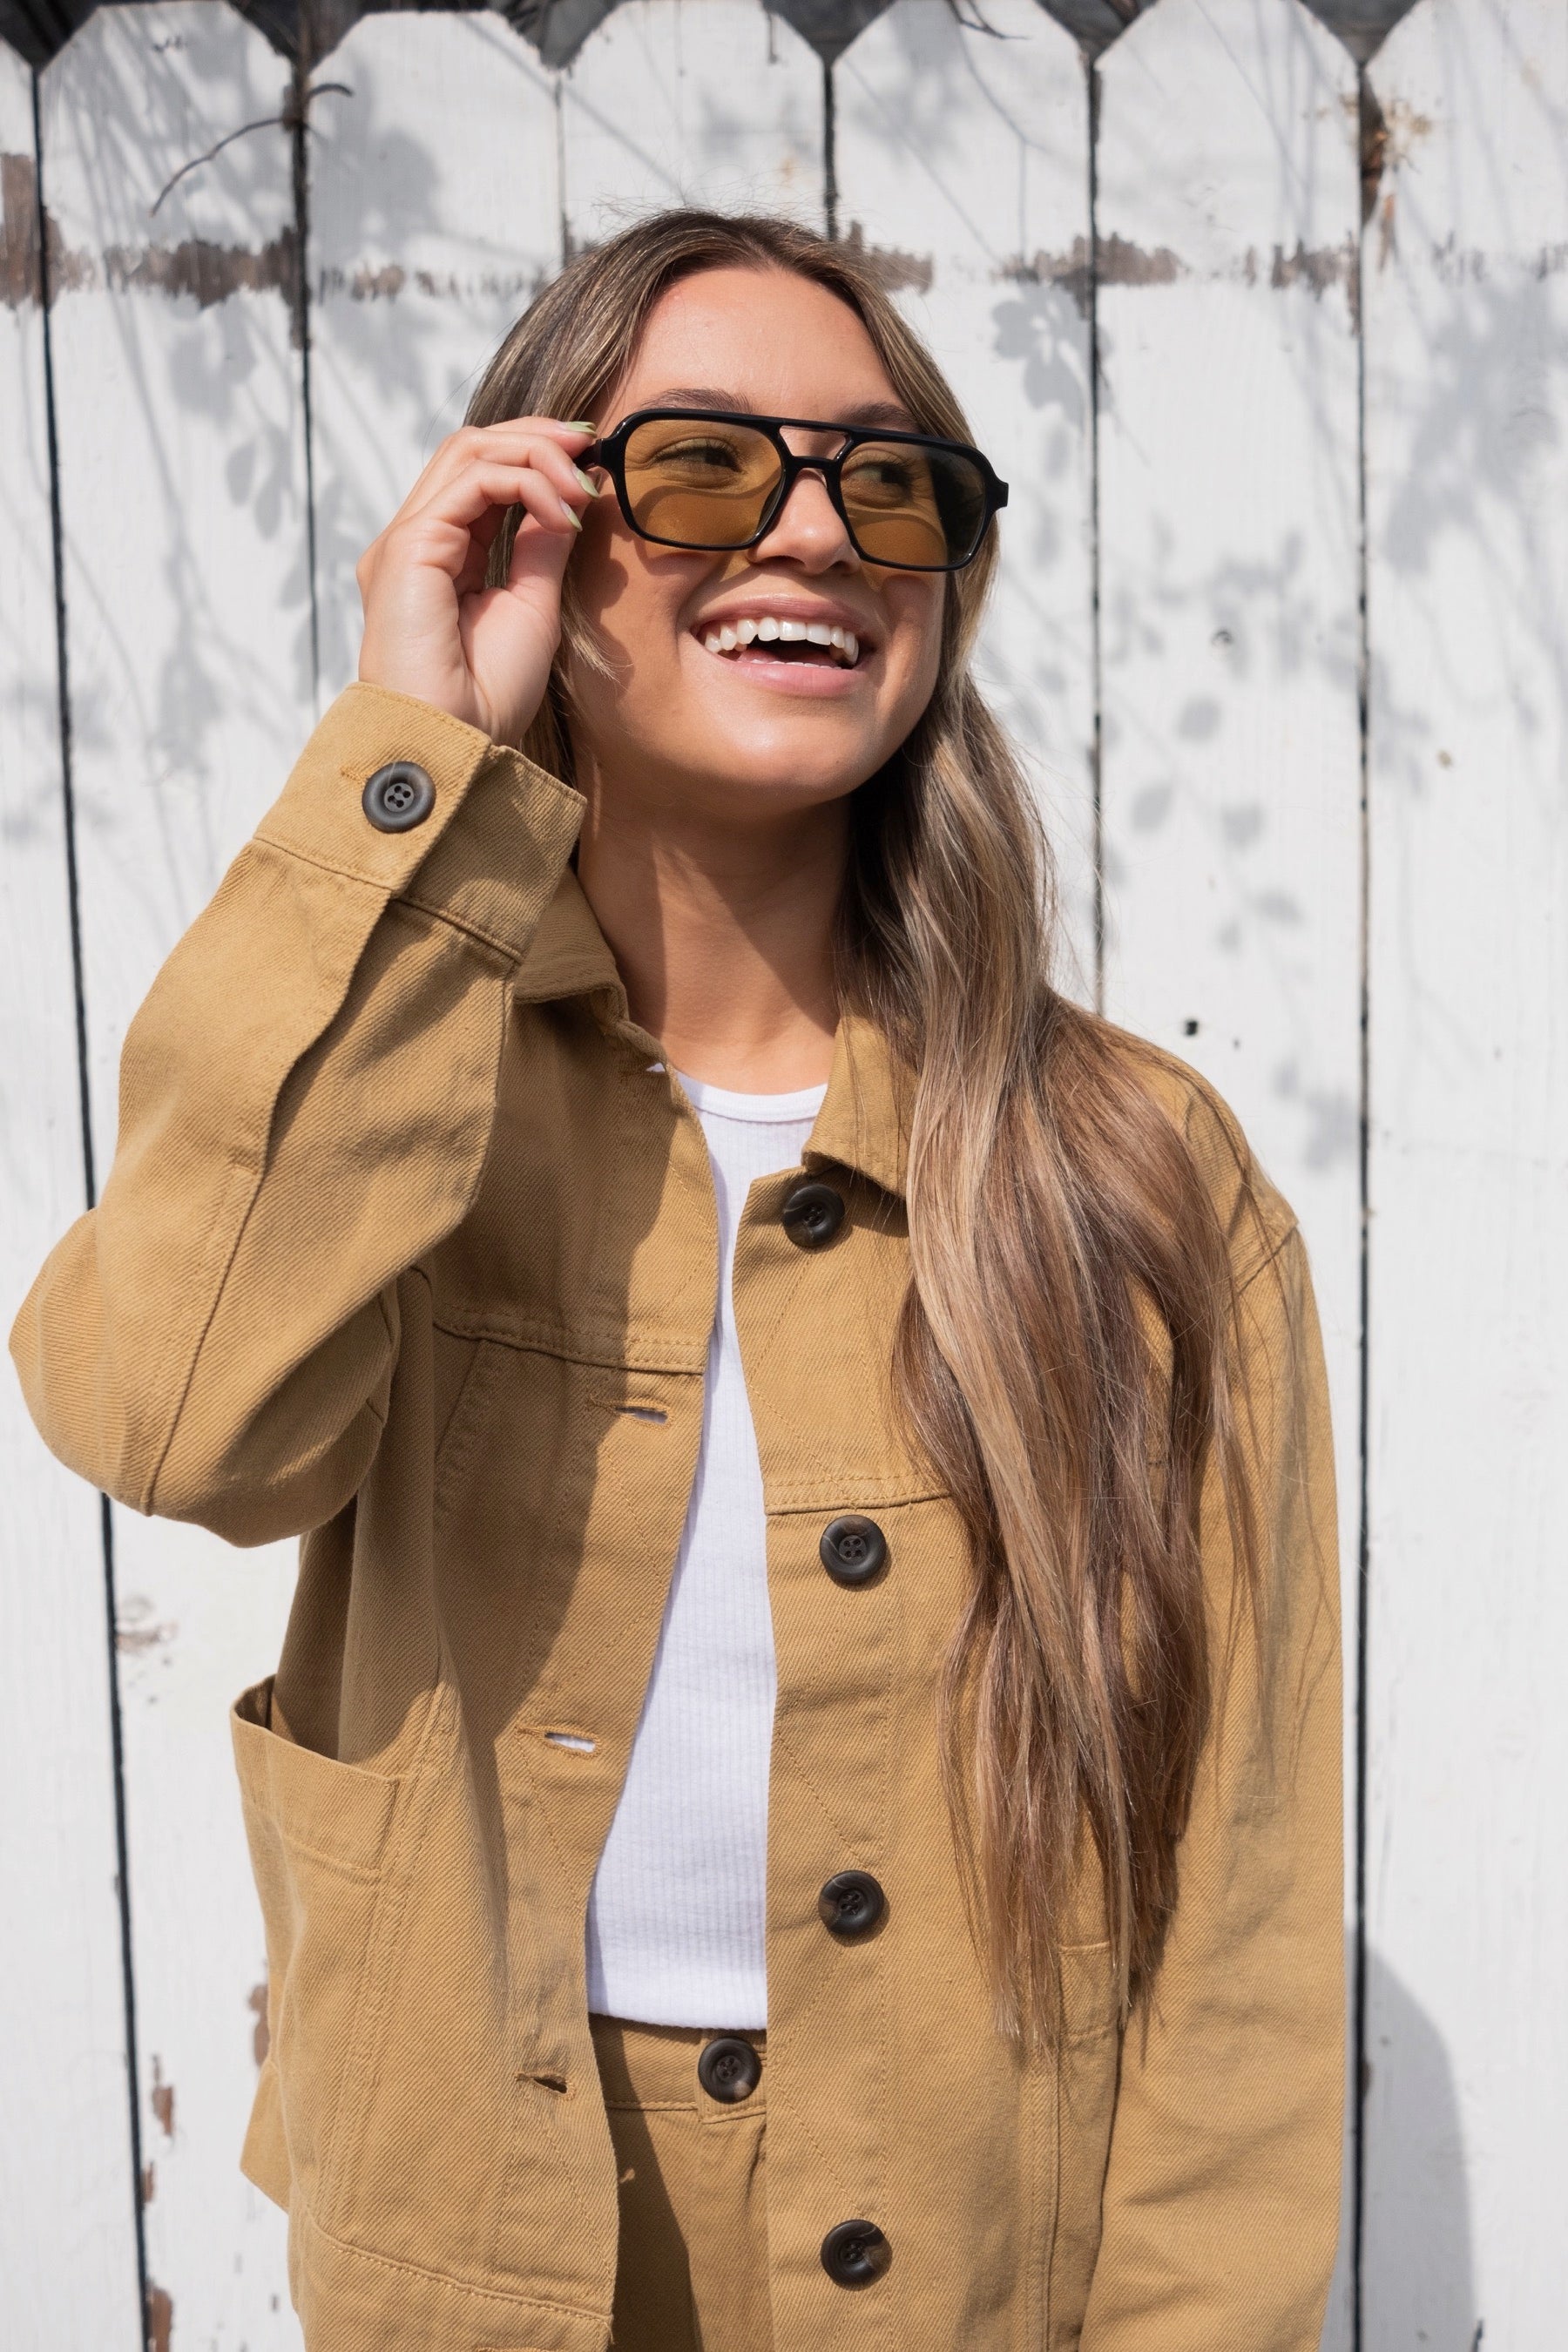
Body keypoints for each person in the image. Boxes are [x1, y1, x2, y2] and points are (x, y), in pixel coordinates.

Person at [11, 210, 1343, 2351]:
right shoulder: (405, 1081)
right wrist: (406, 761)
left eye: (888, 486)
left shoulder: (1135, 1177)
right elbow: (172, 1420)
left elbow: (1241, 1919)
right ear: (531, 532)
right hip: (480, 2234)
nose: (813, 534)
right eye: (707, 466)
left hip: (962, 2265)